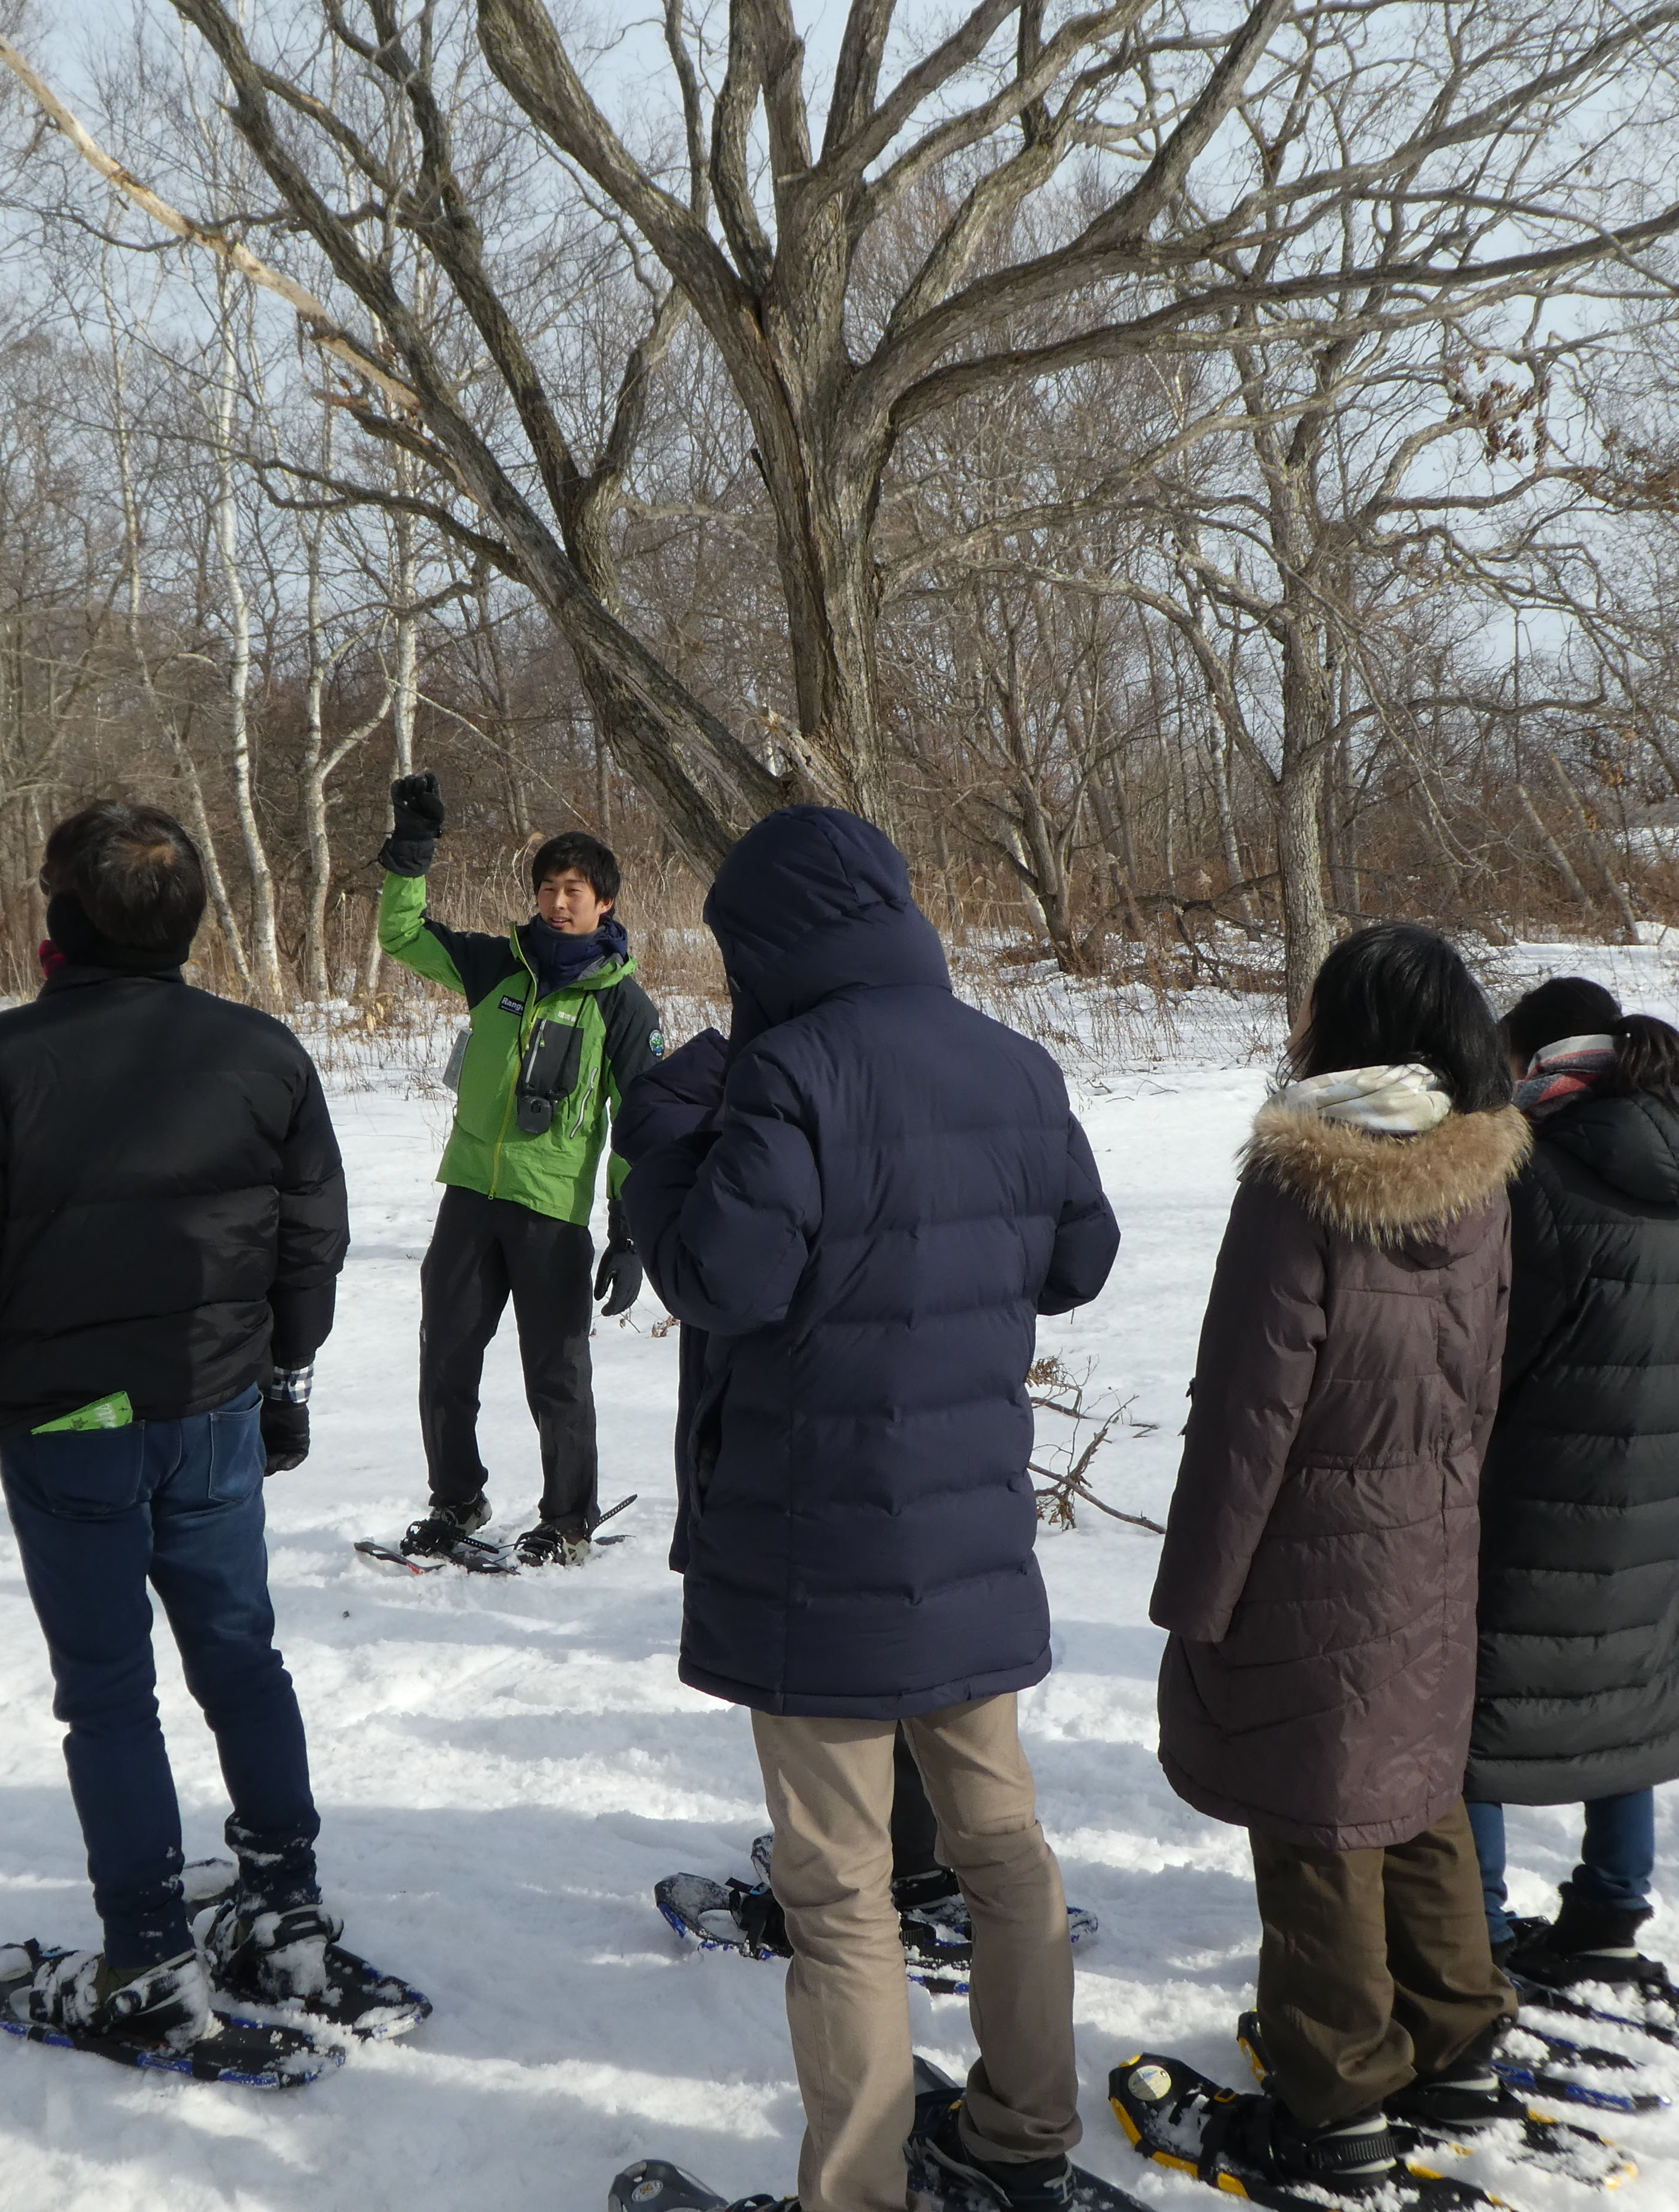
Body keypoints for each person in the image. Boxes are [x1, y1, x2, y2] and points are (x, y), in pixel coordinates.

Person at [616, 806, 1119, 2212]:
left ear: (771, 943)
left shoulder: (792, 1073)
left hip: (814, 1549)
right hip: (968, 1540)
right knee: (1003, 1851)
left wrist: (665, 1147)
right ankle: (1026, 2134)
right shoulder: (1016, 1063)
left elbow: (719, 1280)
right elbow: (1079, 1260)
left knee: (840, 1891)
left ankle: (856, 2195)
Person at [0, 802, 398, 2046]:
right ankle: (280, 1911)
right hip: (204, 1402)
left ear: (63, 918)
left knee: (112, 1691)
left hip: (86, 1421)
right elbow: (312, 1237)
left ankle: (156, 1958)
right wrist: (289, 1375)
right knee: (238, 1657)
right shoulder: (260, 1051)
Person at [1141, 925, 1530, 2205]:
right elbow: (1482, 1385)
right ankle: (1458, 2046)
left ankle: (1339, 2100)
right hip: (1431, 1533)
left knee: (1318, 1819)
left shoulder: (1301, 1177)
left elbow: (1247, 1413)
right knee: (1414, 1791)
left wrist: (1199, 1597)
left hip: (1307, 1546)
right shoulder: (1481, 1173)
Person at [1465, 979, 1679, 1993]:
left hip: (1536, 1476)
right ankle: (1612, 1909)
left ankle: (1475, 1929)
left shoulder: (1539, 1170)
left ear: (1535, 1059)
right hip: (1653, 1472)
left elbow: (1498, 1349)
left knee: (1480, 1703)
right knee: (1626, 1687)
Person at [376, 772, 663, 1566]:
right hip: (470, 1198)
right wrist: (412, 852)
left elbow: (642, 1129)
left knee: (557, 1376)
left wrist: (630, 1237)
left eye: (574, 891)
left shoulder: (623, 1006)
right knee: (445, 1360)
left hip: (551, 1215)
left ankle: (568, 1519)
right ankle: (457, 1500)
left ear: (605, 903)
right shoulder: (496, 965)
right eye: (548, 889)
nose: (558, 903)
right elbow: (403, 935)